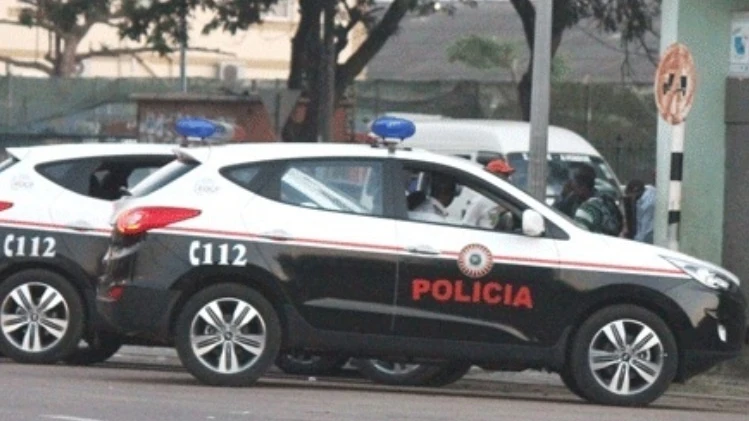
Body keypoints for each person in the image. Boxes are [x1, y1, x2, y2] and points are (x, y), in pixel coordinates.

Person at [462, 159, 514, 228]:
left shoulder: (504, 199)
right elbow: (467, 225)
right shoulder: (480, 201)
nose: (508, 179)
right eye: (504, 175)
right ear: (493, 176)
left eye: (507, 176)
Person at [571, 169, 624, 236]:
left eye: (574, 188)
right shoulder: (607, 201)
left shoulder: (586, 209)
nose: (573, 192)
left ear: (583, 188)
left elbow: (578, 236)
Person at [625, 179, 656, 243]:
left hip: (651, 232)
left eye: (631, 194)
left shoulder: (648, 204)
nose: (631, 197)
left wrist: (636, 242)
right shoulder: (648, 190)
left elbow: (644, 226)